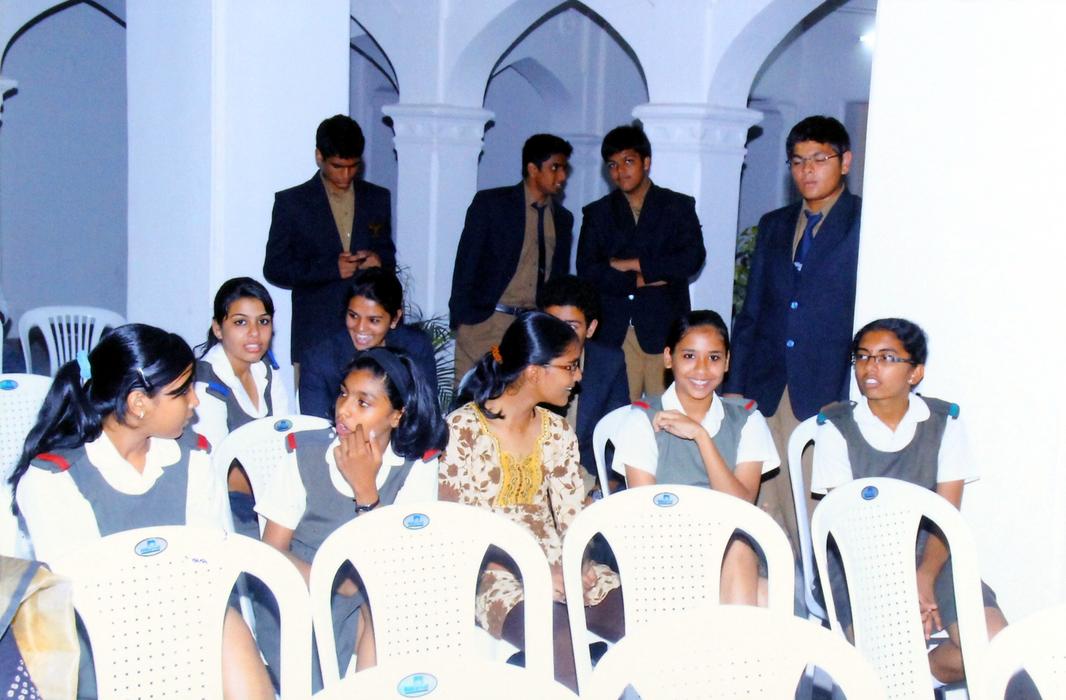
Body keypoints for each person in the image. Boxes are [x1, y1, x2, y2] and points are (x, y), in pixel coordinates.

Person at [11, 324, 272, 699]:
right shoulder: (53, 478)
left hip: (187, 624)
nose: (195, 402)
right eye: (182, 392)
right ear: (138, 404)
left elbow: (211, 565)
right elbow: (86, 594)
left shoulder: (193, 457)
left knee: (225, 623)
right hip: (99, 647)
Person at [811, 318, 1007, 685]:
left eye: (886, 358)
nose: (870, 367)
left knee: (996, 648)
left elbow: (947, 516)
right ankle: (904, 675)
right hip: (859, 562)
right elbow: (849, 528)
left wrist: (924, 577)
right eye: (862, 356)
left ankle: (924, 672)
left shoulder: (944, 422)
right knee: (888, 659)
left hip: (934, 555)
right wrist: (901, 591)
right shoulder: (835, 427)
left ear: (915, 372)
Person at [439, 311, 623, 692]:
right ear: (535, 371)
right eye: (570, 366)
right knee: (560, 641)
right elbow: (460, 535)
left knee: (644, 618)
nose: (578, 376)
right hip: (493, 573)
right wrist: (535, 572)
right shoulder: (462, 430)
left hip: (562, 564)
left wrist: (579, 563)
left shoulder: (558, 431)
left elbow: (574, 518)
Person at [259, 347, 447, 678]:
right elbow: (270, 550)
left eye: (363, 403)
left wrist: (366, 490)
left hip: (377, 588)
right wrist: (331, 579)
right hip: (304, 590)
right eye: (344, 393)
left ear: (396, 416)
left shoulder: (416, 466)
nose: (344, 409)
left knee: (394, 603)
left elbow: (400, 564)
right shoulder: (306, 454)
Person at [724, 115, 862, 554]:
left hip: (824, 389)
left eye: (819, 159)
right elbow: (751, 311)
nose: (807, 170)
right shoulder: (775, 224)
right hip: (766, 386)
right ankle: (769, 589)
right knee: (762, 510)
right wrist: (735, 390)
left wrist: (849, 393)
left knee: (813, 510)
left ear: (845, 162)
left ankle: (819, 592)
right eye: (798, 161)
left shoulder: (863, 223)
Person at [610, 310, 779, 603]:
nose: (702, 369)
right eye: (689, 356)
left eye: (714, 358)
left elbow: (740, 506)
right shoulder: (642, 420)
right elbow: (647, 514)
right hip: (666, 551)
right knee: (762, 596)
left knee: (741, 552)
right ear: (668, 358)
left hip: (731, 547)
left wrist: (701, 437)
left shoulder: (747, 419)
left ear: (727, 362)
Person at [577, 123, 705, 401]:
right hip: (615, 331)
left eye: (628, 161)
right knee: (620, 415)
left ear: (646, 162)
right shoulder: (598, 213)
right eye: (612, 165)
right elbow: (588, 270)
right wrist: (640, 280)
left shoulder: (677, 206)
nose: (620, 171)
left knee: (669, 412)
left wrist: (631, 263)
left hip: (664, 328)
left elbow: (691, 259)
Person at [264, 114, 394, 379]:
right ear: (319, 156)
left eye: (353, 166)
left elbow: (388, 255)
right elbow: (274, 267)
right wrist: (330, 268)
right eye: (337, 166)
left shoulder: (377, 198)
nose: (346, 175)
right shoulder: (292, 203)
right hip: (316, 335)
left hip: (368, 336)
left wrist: (378, 261)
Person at [449, 134, 574, 386]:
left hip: (530, 327)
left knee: (519, 396)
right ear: (533, 169)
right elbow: (467, 263)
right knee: (473, 395)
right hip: (487, 321)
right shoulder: (492, 205)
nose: (562, 176)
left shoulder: (562, 218)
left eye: (564, 169)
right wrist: (462, 320)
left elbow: (558, 278)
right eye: (555, 168)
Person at [194, 277, 290, 538]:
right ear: (218, 328)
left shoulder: (266, 369)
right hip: (229, 502)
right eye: (240, 322)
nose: (255, 333)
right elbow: (217, 469)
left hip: (271, 492)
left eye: (263, 321)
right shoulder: (206, 384)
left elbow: (285, 439)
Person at [299, 267, 438, 420]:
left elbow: (427, 416)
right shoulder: (320, 361)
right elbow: (317, 428)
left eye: (373, 320)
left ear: (394, 319)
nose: (360, 328)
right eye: (353, 316)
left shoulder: (415, 348)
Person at [538, 274, 627, 491]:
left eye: (571, 326)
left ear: (590, 328)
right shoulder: (525, 362)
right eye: (552, 324)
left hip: (587, 475)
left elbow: (618, 434)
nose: (560, 335)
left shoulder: (609, 362)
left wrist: (599, 492)